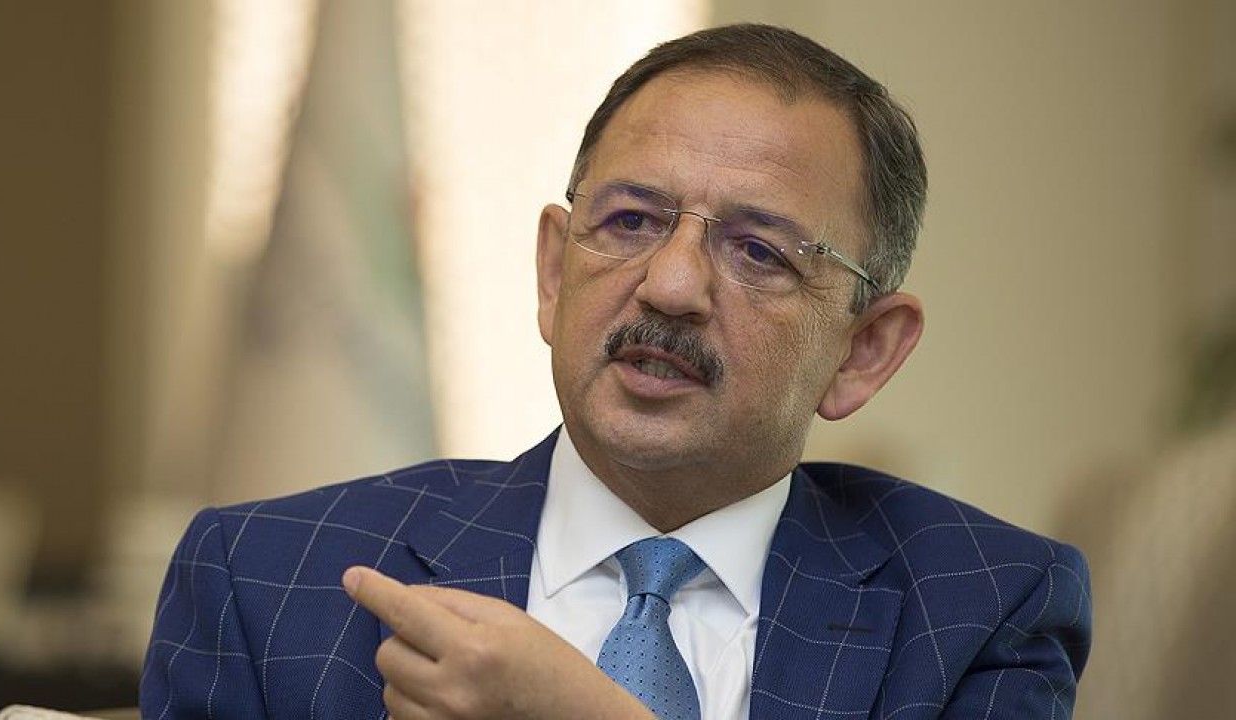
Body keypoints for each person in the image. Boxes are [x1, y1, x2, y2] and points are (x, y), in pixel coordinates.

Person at [141, 23, 1091, 720]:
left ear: (863, 351)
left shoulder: (977, 609)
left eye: (758, 251)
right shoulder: (268, 582)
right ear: (555, 274)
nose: (670, 286)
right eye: (631, 221)